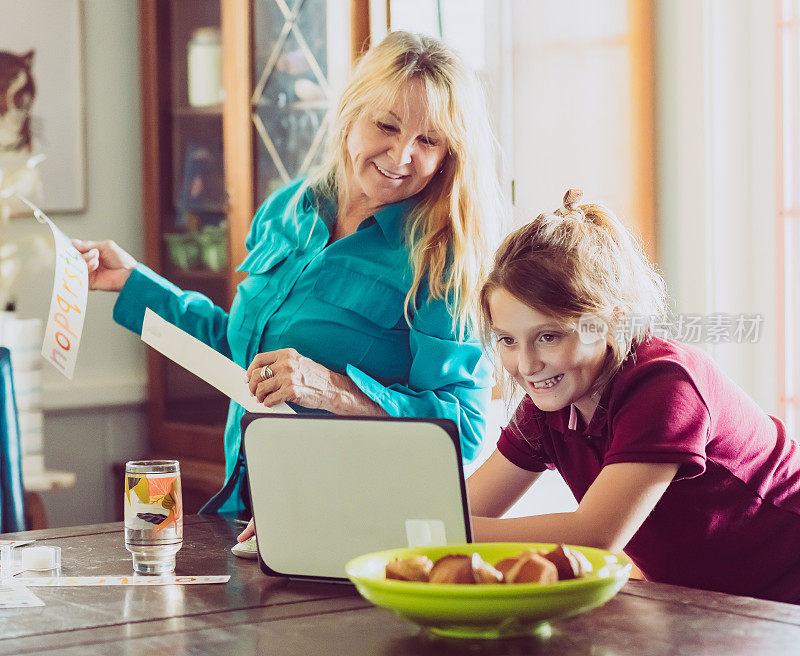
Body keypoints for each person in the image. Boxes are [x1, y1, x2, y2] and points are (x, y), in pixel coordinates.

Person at [74, 31, 503, 526]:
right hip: (248, 507)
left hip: (352, 522)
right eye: (386, 125)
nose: (402, 154)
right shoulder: (286, 209)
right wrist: (133, 283)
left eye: (428, 140)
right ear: (349, 116)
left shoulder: (442, 259)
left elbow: (464, 427)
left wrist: (333, 389)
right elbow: (244, 357)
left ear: (449, 155)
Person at [467, 189, 800, 603]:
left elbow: (593, 535)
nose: (527, 364)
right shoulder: (546, 406)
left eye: (548, 336)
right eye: (508, 340)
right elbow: (469, 506)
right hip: (718, 604)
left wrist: (436, 527)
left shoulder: (665, 384)